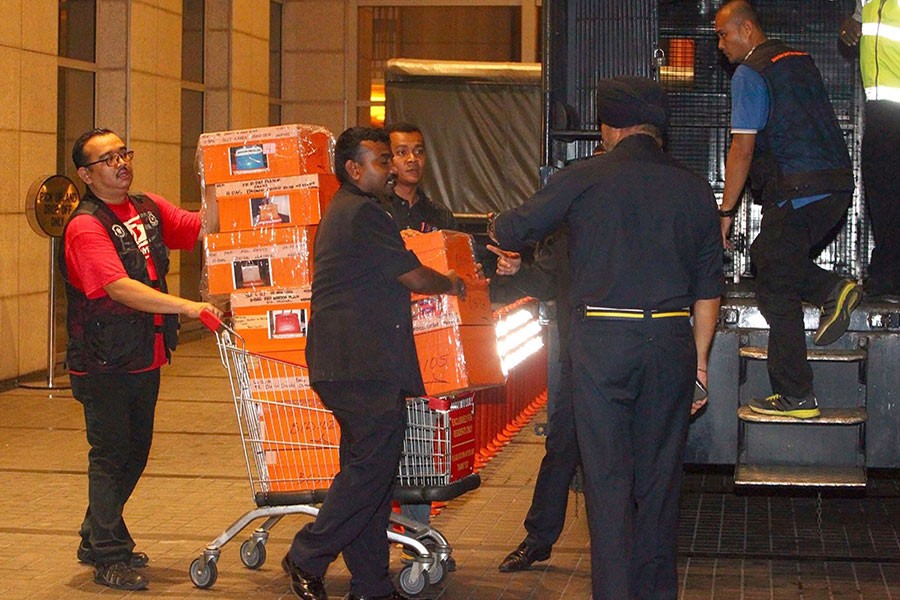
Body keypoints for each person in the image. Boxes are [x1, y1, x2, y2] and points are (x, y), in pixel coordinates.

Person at [490, 76, 723, 600]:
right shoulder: (694, 188)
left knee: (609, 484)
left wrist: (501, 235)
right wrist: (701, 369)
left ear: (609, 127)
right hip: (670, 342)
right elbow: (710, 292)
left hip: (603, 342)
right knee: (659, 485)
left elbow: (512, 229)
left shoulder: (585, 176)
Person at [281, 127, 465, 600]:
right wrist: (453, 283)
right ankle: (307, 554)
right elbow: (412, 275)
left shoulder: (352, 211)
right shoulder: (363, 213)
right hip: (360, 365)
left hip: (353, 364)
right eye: (382, 161)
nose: (390, 168)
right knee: (369, 473)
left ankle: (370, 582)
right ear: (353, 169)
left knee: (373, 475)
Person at [61, 128, 223, 591]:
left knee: (135, 452)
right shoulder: (85, 225)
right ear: (87, 174)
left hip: (144, 355)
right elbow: (117, 287)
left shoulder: (147, 209)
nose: (121, 163)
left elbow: (201, 226)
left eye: (123, 153)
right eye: (108, 159)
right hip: (101, 361)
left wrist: (213, 173)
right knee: (112, 455)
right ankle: (108, 554)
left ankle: (97, 533)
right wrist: (188, 307)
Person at [715, 0, 861, 420]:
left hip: (798, 190)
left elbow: (742, 149)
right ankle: (834, 290)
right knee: (772, 257)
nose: (721, 45)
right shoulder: (796, 58)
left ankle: (796, 395)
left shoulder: (749, 73)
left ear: (746, 29)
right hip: (835, 186)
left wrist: (726, 212)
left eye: (724, 35)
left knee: (774, 276)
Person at [488, 230, 582, 573]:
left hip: (623, 353)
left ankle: (629, 545)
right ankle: (538, 540)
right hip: (579, 355)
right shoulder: (571, 222)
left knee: (622, 453)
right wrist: (519, 270)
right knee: (561, 447)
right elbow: (546, 284)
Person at [840, 1, 900, 301]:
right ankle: (887, 274)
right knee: (881, 191)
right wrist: (850, 23)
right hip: (878, 107)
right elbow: (859, 19)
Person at [382, 122, 458, 232]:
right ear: (387, 159)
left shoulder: (440, 215)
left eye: (419, 151)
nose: (413, 159)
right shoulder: (376, 209)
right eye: (402, 152)